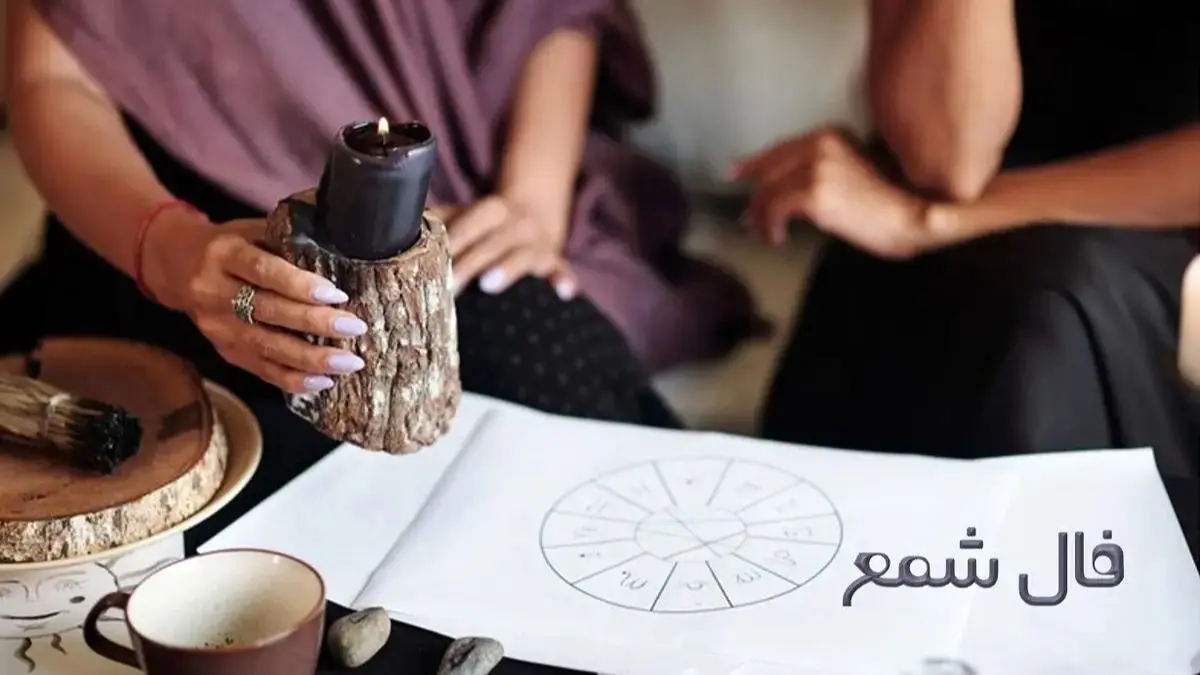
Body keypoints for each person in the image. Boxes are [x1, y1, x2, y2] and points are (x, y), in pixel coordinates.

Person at [4, 1, 765, 429]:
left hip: (450, 185)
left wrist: (533, 200)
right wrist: (169, 249)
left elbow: (550, 13)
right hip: (163, 211)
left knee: (549, 385)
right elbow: (49, 76)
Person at [737, 0, 1200, 547]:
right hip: (921, 231)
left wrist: (937, 220)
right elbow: (946, 158)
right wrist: (933, 218)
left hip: (1152, 241)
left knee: (1052, 308)